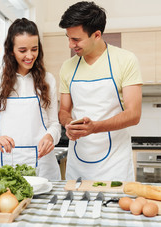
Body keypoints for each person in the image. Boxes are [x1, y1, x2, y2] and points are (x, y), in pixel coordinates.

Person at [58, 1, 143, 181]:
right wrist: (69, 124)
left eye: (76, 39)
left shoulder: (125, 60)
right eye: (68, 38)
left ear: (97, 35)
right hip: (78, 159)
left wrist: (94, 127)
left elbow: (134, 114)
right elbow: (64, 110)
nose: (70, 45)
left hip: (115, 162)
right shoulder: (67, 67)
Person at [0, 18, 61, 180]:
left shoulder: (48, 80)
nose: (30, 55)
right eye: (22, 50)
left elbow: (54, 124)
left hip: (43, 165)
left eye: (34, 49)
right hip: (7, 164)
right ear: (11, 50)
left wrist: (50, 136)